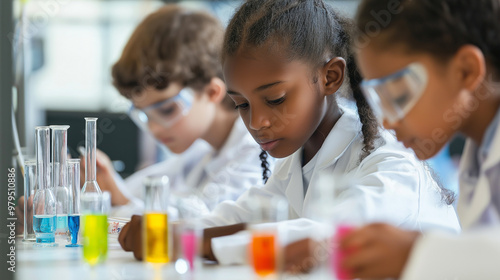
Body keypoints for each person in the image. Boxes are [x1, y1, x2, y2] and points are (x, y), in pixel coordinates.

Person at [119, 0, 460, 271]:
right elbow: (241, 215)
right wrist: (167, 229)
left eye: (276, 99)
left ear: (330, 77)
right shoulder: (297, 160)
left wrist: (189, 240)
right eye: (241, 105)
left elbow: (322, 236)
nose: (257, 122)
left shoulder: (391, 163)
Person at [16, 5, 270, 234]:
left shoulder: (255, 154)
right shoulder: (198, 155)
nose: (154, 128)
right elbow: (138, 192)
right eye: (143, 115)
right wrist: (97, 193)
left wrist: (121, 201)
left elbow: (204, 223)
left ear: (213, 92)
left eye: (168, 110)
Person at [340, 0, 500, 279]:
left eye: (398, 95)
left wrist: (417, 254)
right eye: (379, 101)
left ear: (466, 71)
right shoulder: (480, 155)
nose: (388, 121)